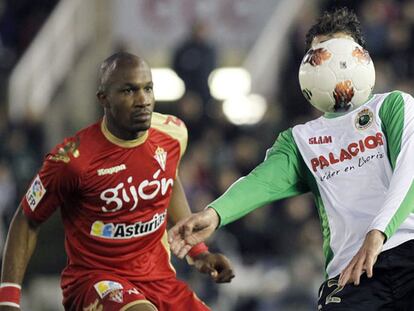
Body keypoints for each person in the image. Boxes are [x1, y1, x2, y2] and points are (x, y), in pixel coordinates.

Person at [168, 7, 414, 310]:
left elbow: (410, 171)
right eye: (320, 56)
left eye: (341, 53)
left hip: (407, 249)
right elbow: (261, 182)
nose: (333, 65)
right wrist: (214, 214)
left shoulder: (392, 106)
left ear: (360, 57)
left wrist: (378, 233)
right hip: (351, 274)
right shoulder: (300, 139)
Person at [0, 52, 234, 311]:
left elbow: (169, 180)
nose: (143, 100)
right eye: (128, 91)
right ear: (104, 98)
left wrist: (198, 252)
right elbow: (26, 219)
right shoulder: (72, 159)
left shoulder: (173, 132)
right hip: (95, 281)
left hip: (158, 280)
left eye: (148, 88)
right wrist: (9, 300)